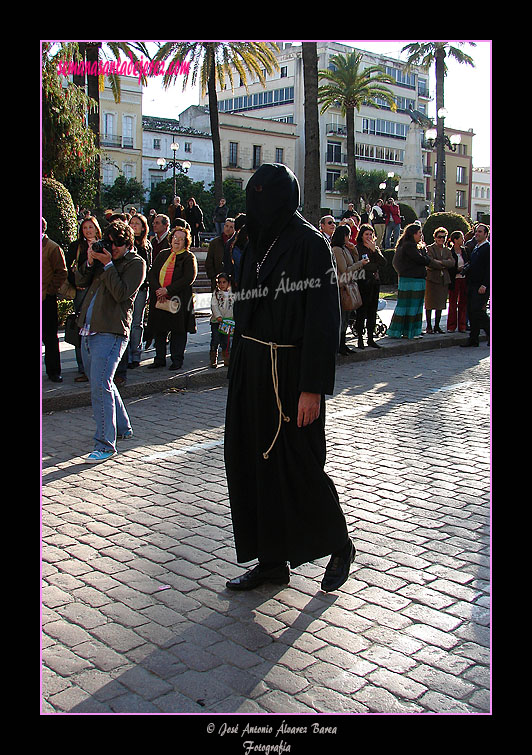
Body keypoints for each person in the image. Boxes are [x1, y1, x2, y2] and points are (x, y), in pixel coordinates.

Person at [224, 163, 355, 594]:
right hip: (251, 366)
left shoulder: (309, 244)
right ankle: (271, 561)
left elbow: (323, 319)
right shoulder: (254, 238)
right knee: (252, 461)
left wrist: (312, 388)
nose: (255, 201)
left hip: (291, 374)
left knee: (298, 466)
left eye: (263, 193)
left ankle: (339, 543)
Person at [75, 220, 146, 463]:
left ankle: (105, 444)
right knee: (104, 381)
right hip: (89, 328)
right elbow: (79, 280)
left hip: (112, 331)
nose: (111, 249)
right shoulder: (104, 259)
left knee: (100, 384)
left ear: (127, 243)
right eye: (109, 243)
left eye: (116, 245)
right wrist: (89, 260)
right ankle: (123, 428)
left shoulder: (136, 264)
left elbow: (121, 293)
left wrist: (107, 266)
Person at [145, 225, 198, 370]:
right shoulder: (163, 254)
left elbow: (188, 278)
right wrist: (158, 290)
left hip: (178, 299)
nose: (177, 241)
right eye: (175, 237)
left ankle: (176, 359)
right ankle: (159, 358)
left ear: (186, 242)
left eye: (181, 239)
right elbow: (152, 274)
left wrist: (168, 290)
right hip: (160, 299)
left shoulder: (188, 257)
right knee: (159, 330)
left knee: (178, 331)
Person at [65, 216, 103, 382]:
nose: (88, 230)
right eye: (85, 228)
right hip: (82, 290)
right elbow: (67, 267)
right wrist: (76, 283)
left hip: (99, 289)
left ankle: (96, 365)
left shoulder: (103, 245)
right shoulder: (76, 246)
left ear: (96, 228)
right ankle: (82, 366)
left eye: (91, 227)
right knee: (81, 327)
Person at [387, 223, 431, 340]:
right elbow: (421, 260)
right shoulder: (409, 246)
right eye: (419, 233)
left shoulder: (405, 245)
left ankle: (405, 331)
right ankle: (410, 331)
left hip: (409, 279)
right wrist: (426, 257)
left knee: (407, 306)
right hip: (413, 280)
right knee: (412, 307)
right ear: (413, 234)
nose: (421, 235)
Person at [330, 224, 368, 355]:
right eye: (348, 236)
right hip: (342, 285)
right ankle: (338, 344)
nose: (350, 238)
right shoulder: (336, 249)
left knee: (347, 317)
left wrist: (354, 251)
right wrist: (360, 264)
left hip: (349, 283)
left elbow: (354, 263)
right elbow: (345, 269)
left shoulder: (345, 249)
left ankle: (343, 343)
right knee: (342, 316)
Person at [42, 218, 68, 383]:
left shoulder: (52, 247)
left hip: (45, 298)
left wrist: (50, 291)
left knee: (50, 336)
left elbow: (61, 272)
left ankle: (54, 371)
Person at [354, 223, 387, 349]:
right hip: (363, 282)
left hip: (374, 282)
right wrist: (374, 265)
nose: (368, 237)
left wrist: (374, 251)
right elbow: (365, 265)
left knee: (373, 310)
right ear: (361, 236)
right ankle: (360, 338)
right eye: (366, 234)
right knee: (362, 311)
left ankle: (370, 338)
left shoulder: (374, 248)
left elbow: (383, 263)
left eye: (370, 234)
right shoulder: (358, 248)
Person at [126, 213, 152, 368]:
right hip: (126, 289)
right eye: (132, 223)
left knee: (137, 322)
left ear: (143, 228)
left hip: (141, 289)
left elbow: (148, 268)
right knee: (126, 323)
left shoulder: (146, 245)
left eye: (137, 223)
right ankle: (126, 354)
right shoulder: (124, 244)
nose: (134, 226)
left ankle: (136, 354)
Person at [461, 223, 490, 347]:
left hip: (481, 285)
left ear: (485, 234)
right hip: (472, 284)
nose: (477, 234)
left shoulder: (487, 248)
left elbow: (489, 268)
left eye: (480, 232)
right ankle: (474, 338)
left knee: (478, 311)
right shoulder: (476, 248)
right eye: (476, 231)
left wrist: (485, 284)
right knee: (472, 312)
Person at [424, 227, 454, 334]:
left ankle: (437, 325)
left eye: (443, 237)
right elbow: (430, 261)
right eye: (439, 237)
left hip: (443, 279)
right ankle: (429, 326)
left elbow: (452, 262)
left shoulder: (447, 250)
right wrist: (443, 263)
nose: (441, 239)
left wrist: (440, 262)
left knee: (440, 304)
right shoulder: (430, 248)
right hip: (432, 279)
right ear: (435, 238)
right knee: (430, 303)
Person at [209, 272, 235, 368]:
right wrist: (218, 316)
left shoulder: (233, 294)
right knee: (215, 339)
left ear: (228, 283)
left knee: (226, 341)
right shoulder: (216, 294)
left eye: (224, 282)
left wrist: (233, 317)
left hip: (228, 322)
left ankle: (226, 358)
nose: (222, 284)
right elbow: (214, 306)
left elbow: (234, 307)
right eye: (220, 282)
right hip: (217, 322)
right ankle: (213, 358)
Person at [447, 230, 469, 333]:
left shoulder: (465, 251)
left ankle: (462, 325)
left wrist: (465, 269)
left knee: (463, 302)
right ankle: (451, 326)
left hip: (463, 279)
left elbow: (469, 263)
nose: (463, 240)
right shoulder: (450, 252)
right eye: (461, 238)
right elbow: (449, 267)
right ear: (455, 240)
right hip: (454, 279)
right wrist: (457, 270)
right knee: (452, 302)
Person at [205, 218, 235, 291]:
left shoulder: (236, 243)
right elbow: (209, 261)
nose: (228, 229)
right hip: (217, 281)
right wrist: (213, 277)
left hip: (232, 281)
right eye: (226, 226)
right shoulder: (214, 243)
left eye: (231, 227)